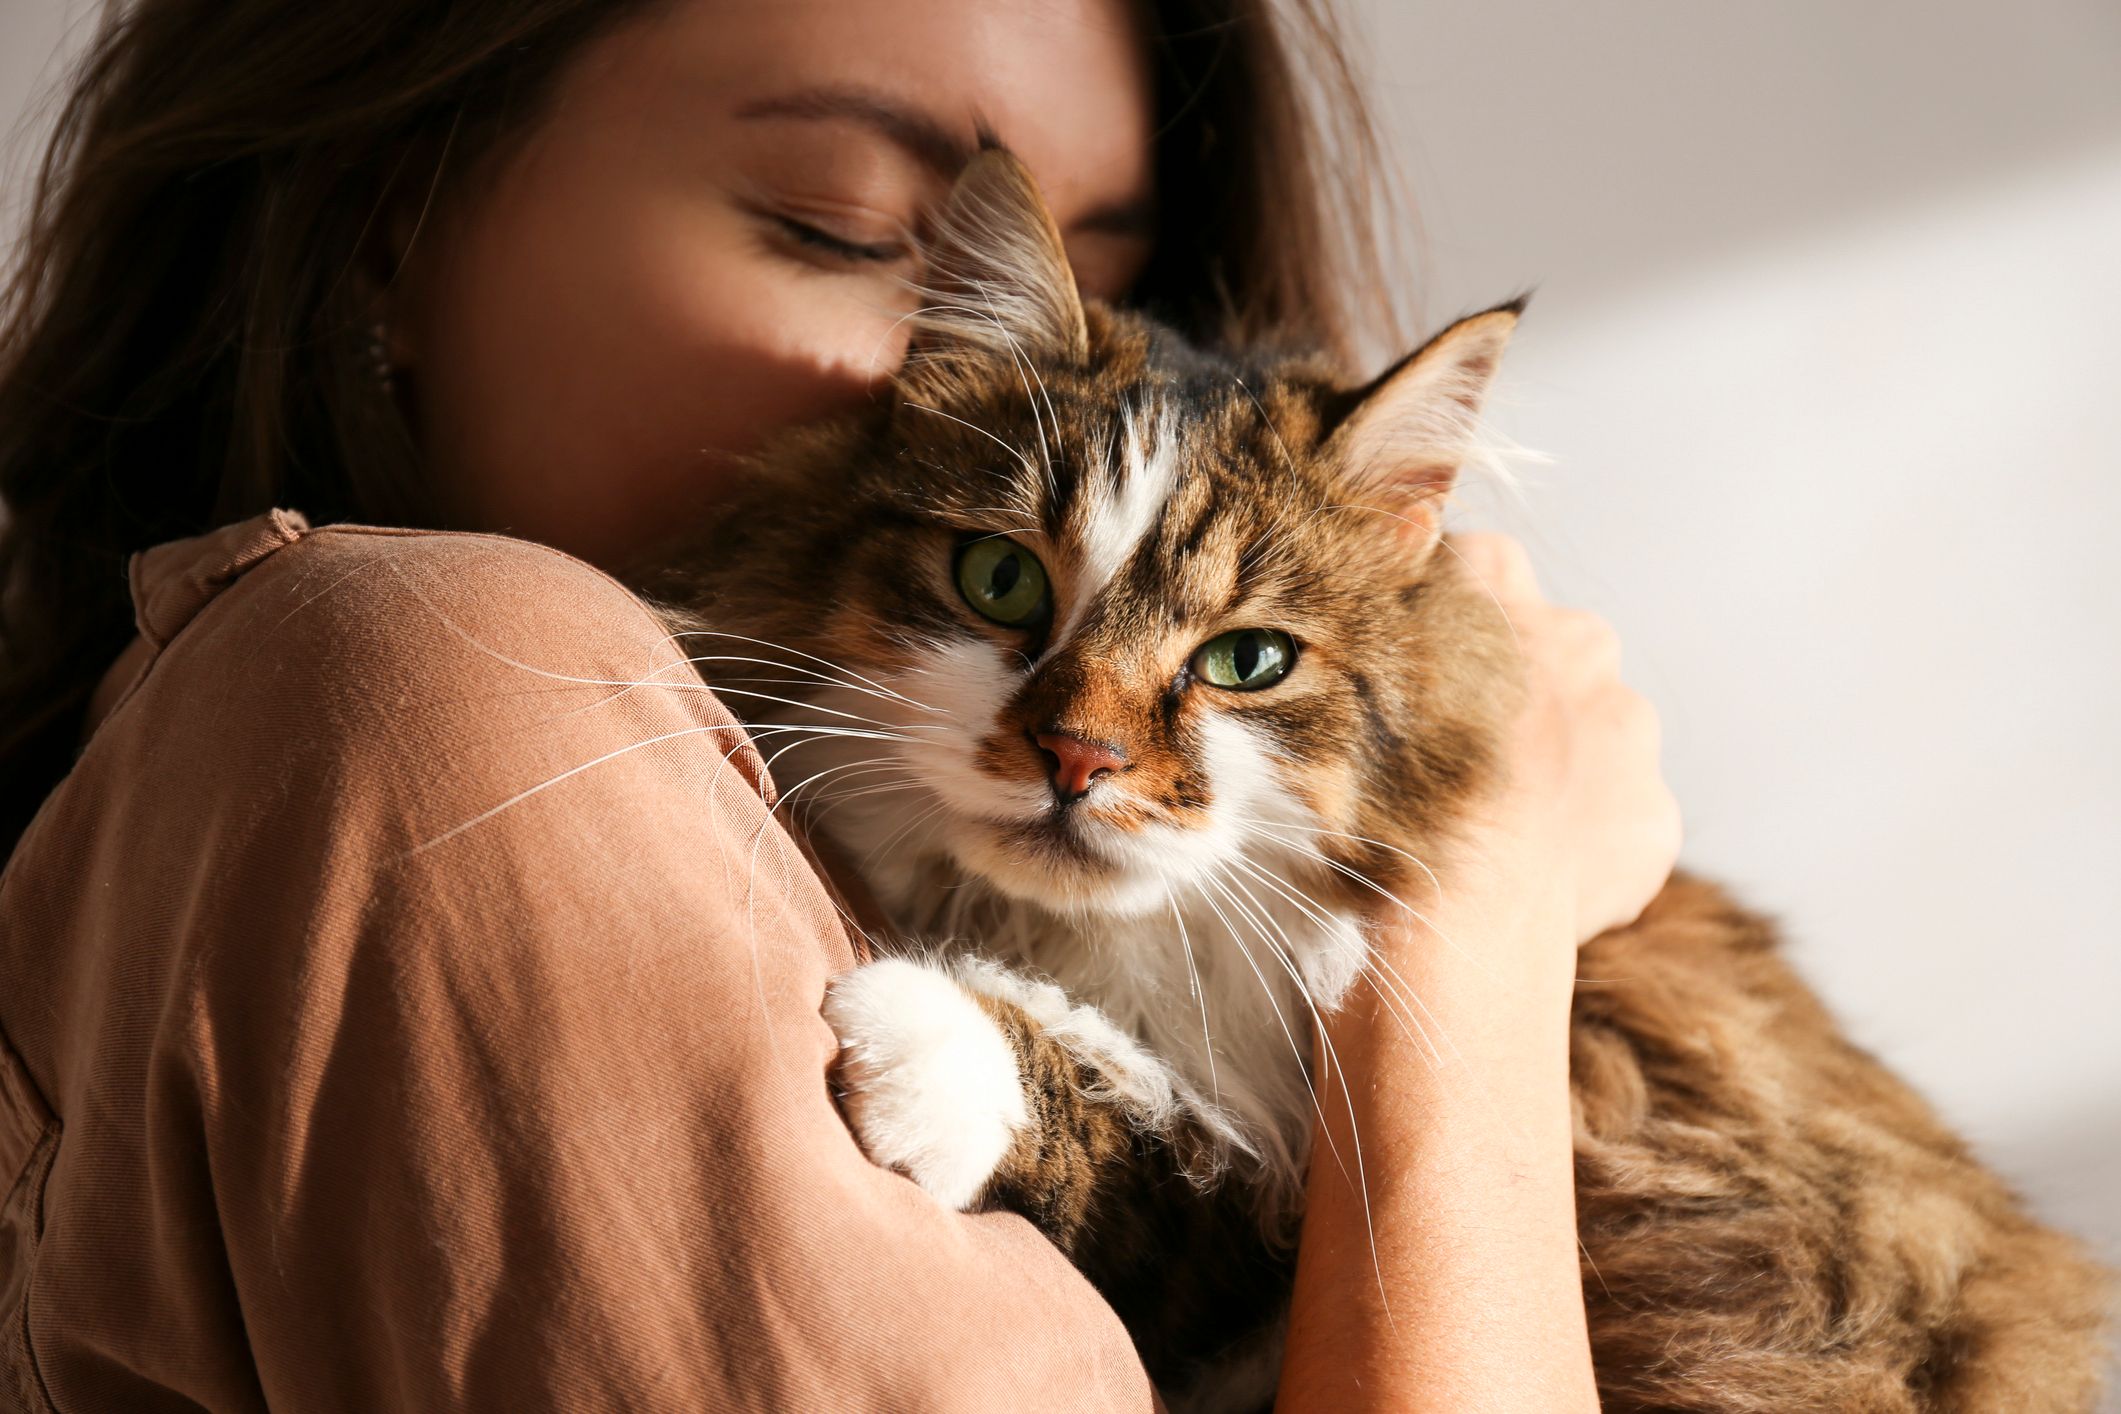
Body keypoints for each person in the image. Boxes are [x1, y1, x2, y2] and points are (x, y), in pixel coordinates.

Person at [0, 0, 1679, 1408]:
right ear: (386, 216)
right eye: (858, 231)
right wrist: (1470, 934)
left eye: (1109, 283)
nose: (974, 381)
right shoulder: (448, 691)